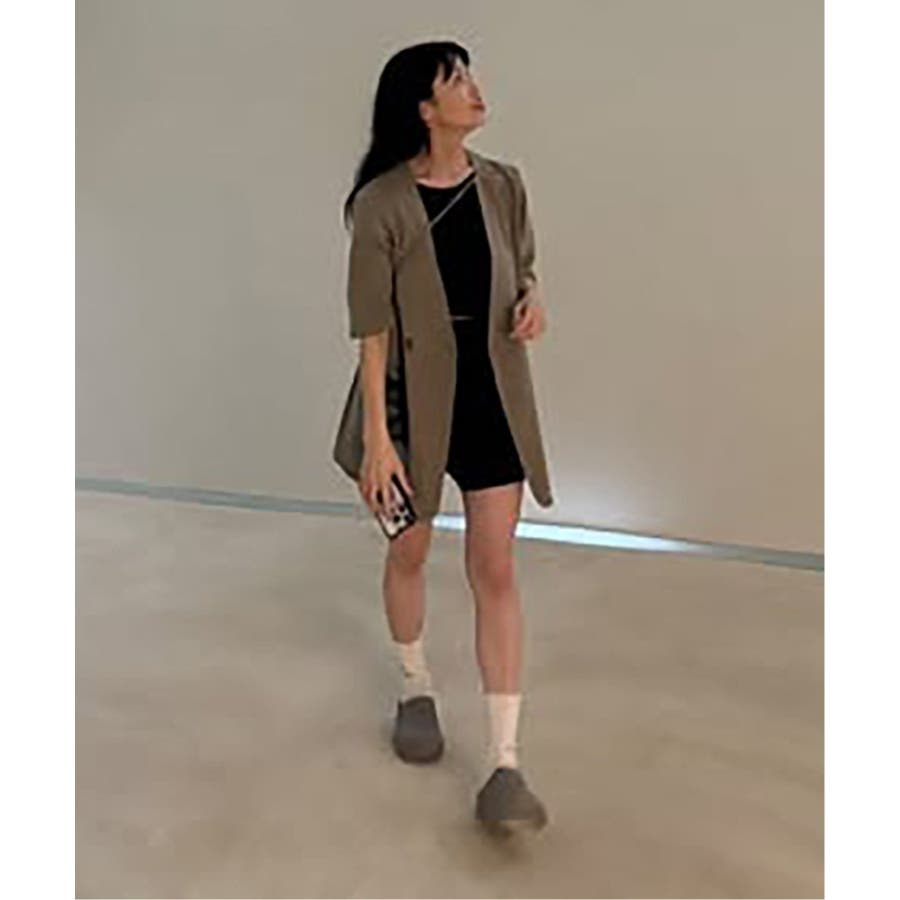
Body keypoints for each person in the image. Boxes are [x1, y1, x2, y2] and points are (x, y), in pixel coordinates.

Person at [338, 41, 551, 835]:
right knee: (410, 552)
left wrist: (531, 300)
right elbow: (370, 329)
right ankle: (415, 687)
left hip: (493, 396)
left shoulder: (504, 185)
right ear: (424, 110)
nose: (474, 88)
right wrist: (378, 440)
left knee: (495, 567)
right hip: (410, 405)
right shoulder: (381, 204)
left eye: (469, 74)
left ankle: (505, 765)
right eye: (455, 80)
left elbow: (523, 269)